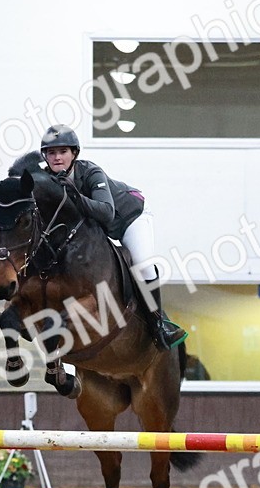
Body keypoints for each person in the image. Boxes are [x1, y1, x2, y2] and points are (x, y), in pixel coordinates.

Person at [38, 124, 187, 350]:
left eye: (63, 152)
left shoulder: (90, 172)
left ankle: (158, 325)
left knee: (143, 265)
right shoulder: (45, 179)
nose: (57, 157)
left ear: (74, 154)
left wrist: (75, 196)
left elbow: (107, 213)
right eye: (51, 152)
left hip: (129, 218)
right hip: (98, 230)